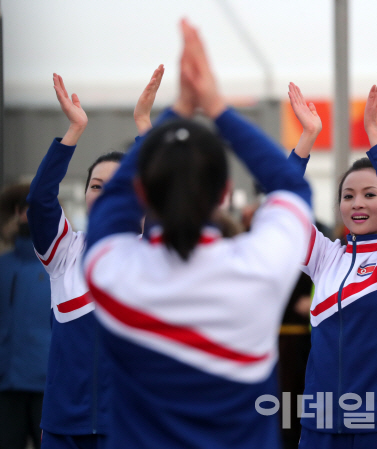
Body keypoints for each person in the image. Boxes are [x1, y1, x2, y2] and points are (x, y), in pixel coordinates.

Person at [83, 20, 312, 448]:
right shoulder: (258, 270)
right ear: (225, 193)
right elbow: (293, 189)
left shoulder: (111, 273)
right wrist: (216, 106)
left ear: (140, 191)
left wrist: (180, 111)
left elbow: (110, 207)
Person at [27, 65, 163, 448]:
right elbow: (39, 200)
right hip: (63, 425)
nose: (105, 195)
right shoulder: (65, 251)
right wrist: (73, 132)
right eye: (97, 186)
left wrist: (144, 126)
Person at [287, 78, 377, 448]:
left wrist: (376, 135)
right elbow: (280, 208)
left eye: (370, 194)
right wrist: (308, 137)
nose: (357, 203)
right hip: (320, 421)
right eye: (348, 196)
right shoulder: (325, 256)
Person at [0, 184, 52, 449]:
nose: (26, 215)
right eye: (22, 209)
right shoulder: (4, 266)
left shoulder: (60, 269)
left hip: (46, 386)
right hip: (6, 386)